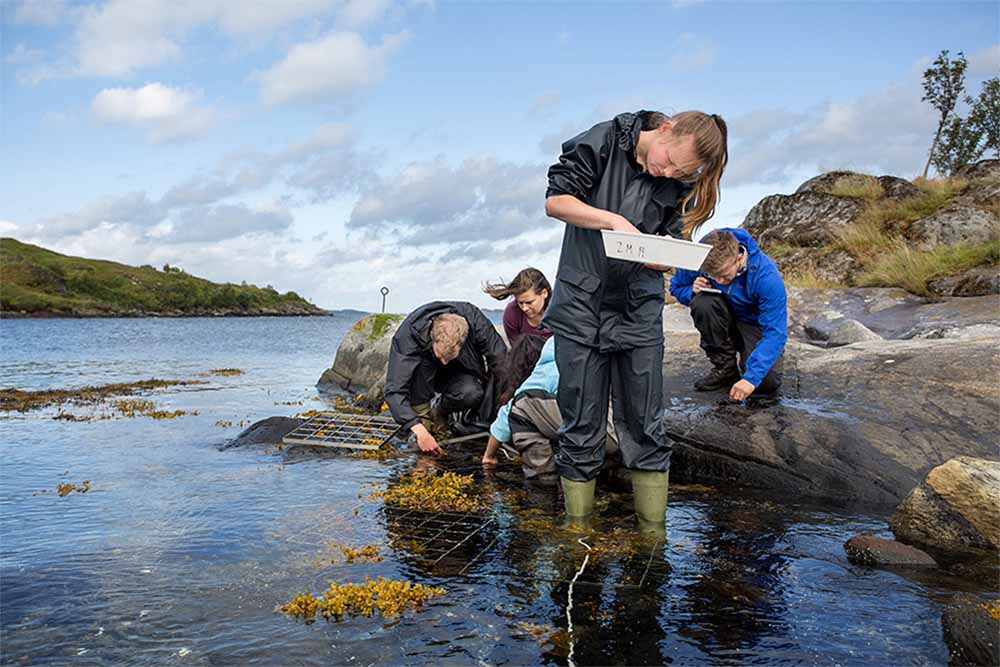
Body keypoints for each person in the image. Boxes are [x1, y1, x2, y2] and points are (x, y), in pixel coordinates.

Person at [543, 109, 728, 526]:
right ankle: (577, 533)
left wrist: (666, 258)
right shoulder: (605, 139)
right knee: (581, 425)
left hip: (638, 310)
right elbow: (556, 201)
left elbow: (674, 235)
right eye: (669, 161)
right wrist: (613, 221)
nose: (667, 174)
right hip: (581, 305)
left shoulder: (678, 181)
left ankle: (652, 538)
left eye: (680, 173)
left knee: (646, 425)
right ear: (665, 129)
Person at [669, 228, 787, 400]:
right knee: (702, 301)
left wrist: (750, 379)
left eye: (724, 275)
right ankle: (725, 368)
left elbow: (776, 332)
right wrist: (691, 291)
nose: (719, 281)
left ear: (739, 258)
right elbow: (676, 287)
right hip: (721, 315)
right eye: (712, 276)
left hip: (753, 323)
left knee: (765, 383)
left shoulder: (766, 277)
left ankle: (746, 364)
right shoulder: (700, 257)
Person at [482, 334, 619, 481]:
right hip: (633, 430)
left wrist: (489, 456)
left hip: (609, 431)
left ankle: (543, 484)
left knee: (521, 406)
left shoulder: (551, 368)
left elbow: (508, 412)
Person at [385, 301, 507, 454]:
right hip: (423, 376)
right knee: (419, 442)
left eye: (449, 356)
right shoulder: (407, 336)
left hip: (459, 371)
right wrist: (418, 428)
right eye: (441, 356)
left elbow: (500, 359)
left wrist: (503, 405)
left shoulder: (474, 318)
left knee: (472, 392)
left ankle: (440, 410)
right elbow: (394, 390)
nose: (444, 361)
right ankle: (425, 418)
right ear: (433, 337)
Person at [483, 268, 553, 345]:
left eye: (529, 302)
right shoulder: (512, 313)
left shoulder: (561, 310)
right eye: (520, 303)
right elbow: (517, 350)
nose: (524, 308)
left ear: (544, 293)